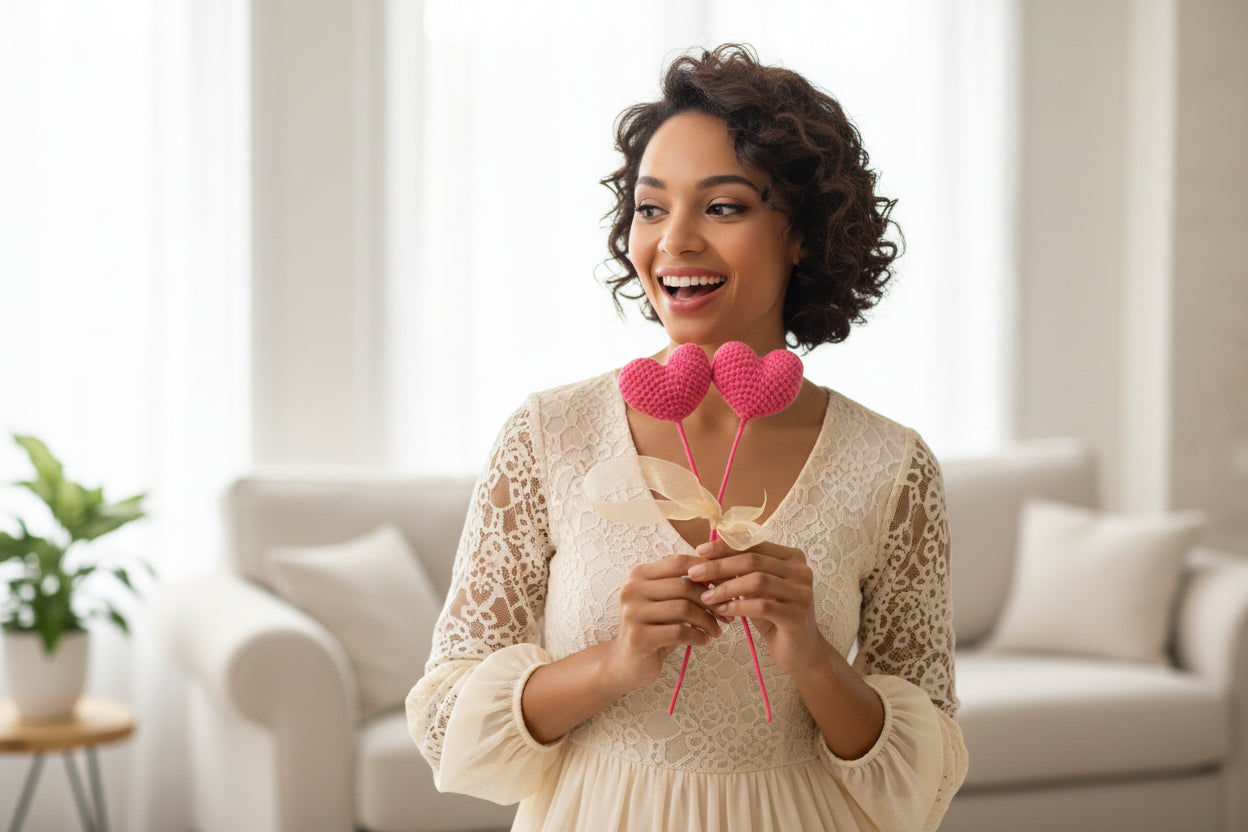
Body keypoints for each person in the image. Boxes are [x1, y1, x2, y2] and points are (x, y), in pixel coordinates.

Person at [407, 44, 968, 832]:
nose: (674, 241)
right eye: (650, 207)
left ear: (803, 234)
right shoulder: (548, 436)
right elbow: (443, 725)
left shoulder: (892, 466)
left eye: (724, 206)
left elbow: (922, 778)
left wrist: (809, 654)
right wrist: (616, 662)